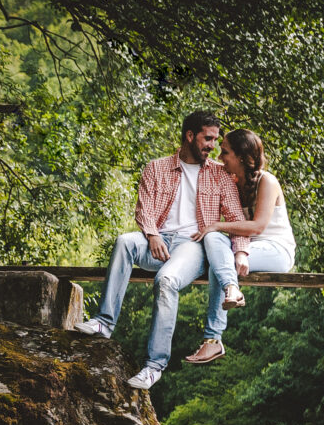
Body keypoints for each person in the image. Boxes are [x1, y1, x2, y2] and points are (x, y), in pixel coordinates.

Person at [72, 110, 249, 389]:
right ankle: (104, 322)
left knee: (165, 280)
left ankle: (154, 366)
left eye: (215, 140)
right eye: (208, 138)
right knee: (124, 241)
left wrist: (241, 252)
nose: (212, 146)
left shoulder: (219, 174)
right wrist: (153, 235)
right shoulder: (156, 168)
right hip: (158, 241)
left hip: (192, 246)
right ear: (190, 135)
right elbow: (144, 210)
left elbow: (237, 219)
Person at [182, 128, 296, 365]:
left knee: (219, 258)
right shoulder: (234, 182)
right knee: (213, 239)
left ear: (242, 157)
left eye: (225, 152)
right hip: (245, 248)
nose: (220, 157)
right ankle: (231, 289)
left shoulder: (267, 181)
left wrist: (220, 228)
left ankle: (213, 339)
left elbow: (257, 227)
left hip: (276, 250)